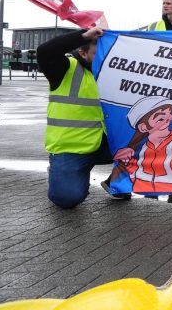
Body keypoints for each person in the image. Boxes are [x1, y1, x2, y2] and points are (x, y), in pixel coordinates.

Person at [38, 26, 130, 208]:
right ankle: (61, 171)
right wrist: (82, 36)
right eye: (98, 53)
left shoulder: (114, 72)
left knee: (152, 140)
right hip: (71, 148)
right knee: (67, 199)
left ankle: (116, 182)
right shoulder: (64, 70)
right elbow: (45, 51)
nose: (104, 58)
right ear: (82, 52)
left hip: (104, 143)